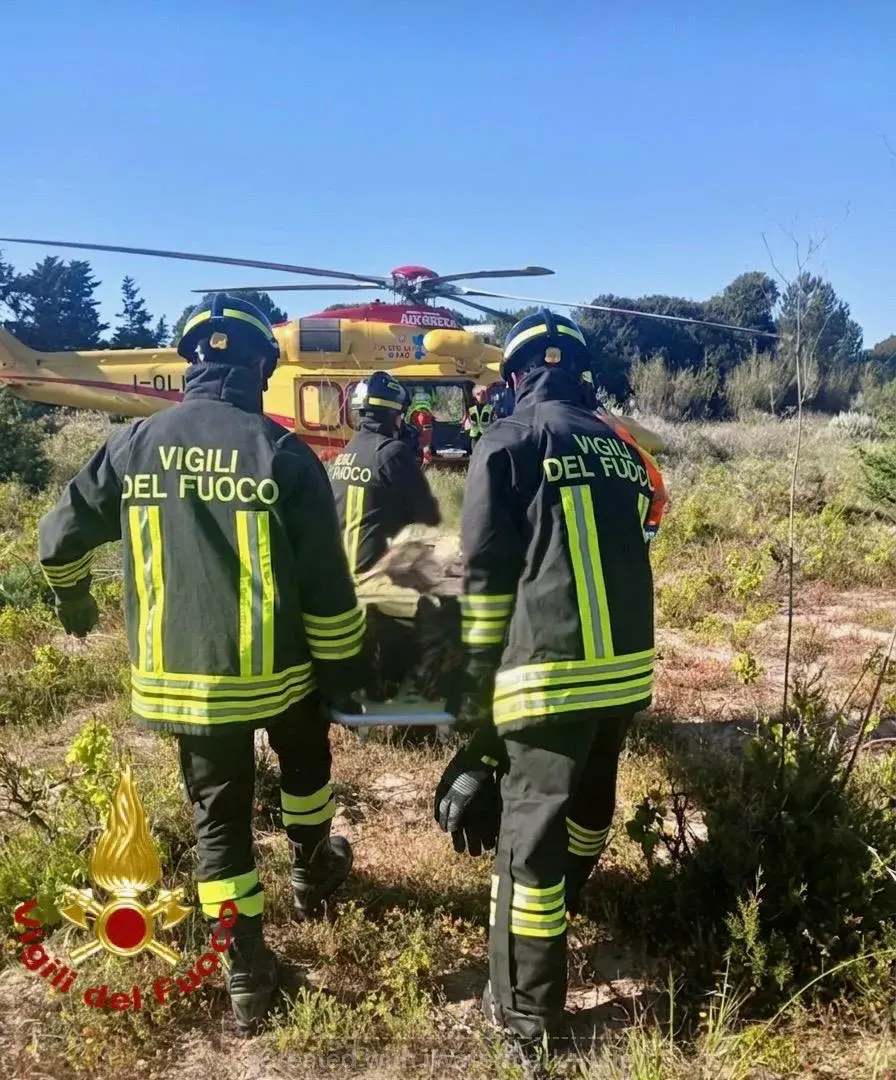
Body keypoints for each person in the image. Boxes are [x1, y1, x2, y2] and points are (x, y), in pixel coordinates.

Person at [36, 293, 366, 1037]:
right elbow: (326, 586)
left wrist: (74, 601)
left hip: (185, 681)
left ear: (192, 365)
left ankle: (246, 974)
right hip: (282, 673)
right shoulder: (283, 451)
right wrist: (346, 671)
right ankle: (313, 869)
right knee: (306, 770)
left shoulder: (133, 444)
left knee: (219, 823)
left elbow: (57, 538)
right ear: (261, 367)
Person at [434, 308, 661, 1058]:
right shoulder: (622, 448)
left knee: (526, 852)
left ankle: (525, 1018)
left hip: (548, 674)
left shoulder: (506, 441)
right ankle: (576, 893)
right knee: (591, 803)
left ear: (515, 376)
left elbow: (484, 577)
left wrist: (474, 703)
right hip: (621, 671)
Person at [327, 372, 442, 704]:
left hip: (340, 582)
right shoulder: (391, 453)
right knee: (447, 605)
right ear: (394, 415)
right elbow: (427, 518)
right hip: (375, 585)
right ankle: (420, 698)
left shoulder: (345, 455)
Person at [405, 384, 437, 465]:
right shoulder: (428, 396)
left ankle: (416, 457)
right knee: (426, 441)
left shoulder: (414, 396)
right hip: (426, 416)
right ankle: (426, 459)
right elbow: (435, 401)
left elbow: (409, 403)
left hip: (416, 416)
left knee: (416, 438)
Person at [465, 384, 495, 452]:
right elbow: (467, 426)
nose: (481, 396)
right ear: (474, 396)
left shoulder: (491, 408)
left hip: (486, 438)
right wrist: (470, 424)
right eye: (478, 394)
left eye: (483, 393)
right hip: (475, 438)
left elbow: (494, 422)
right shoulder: (471, 409)